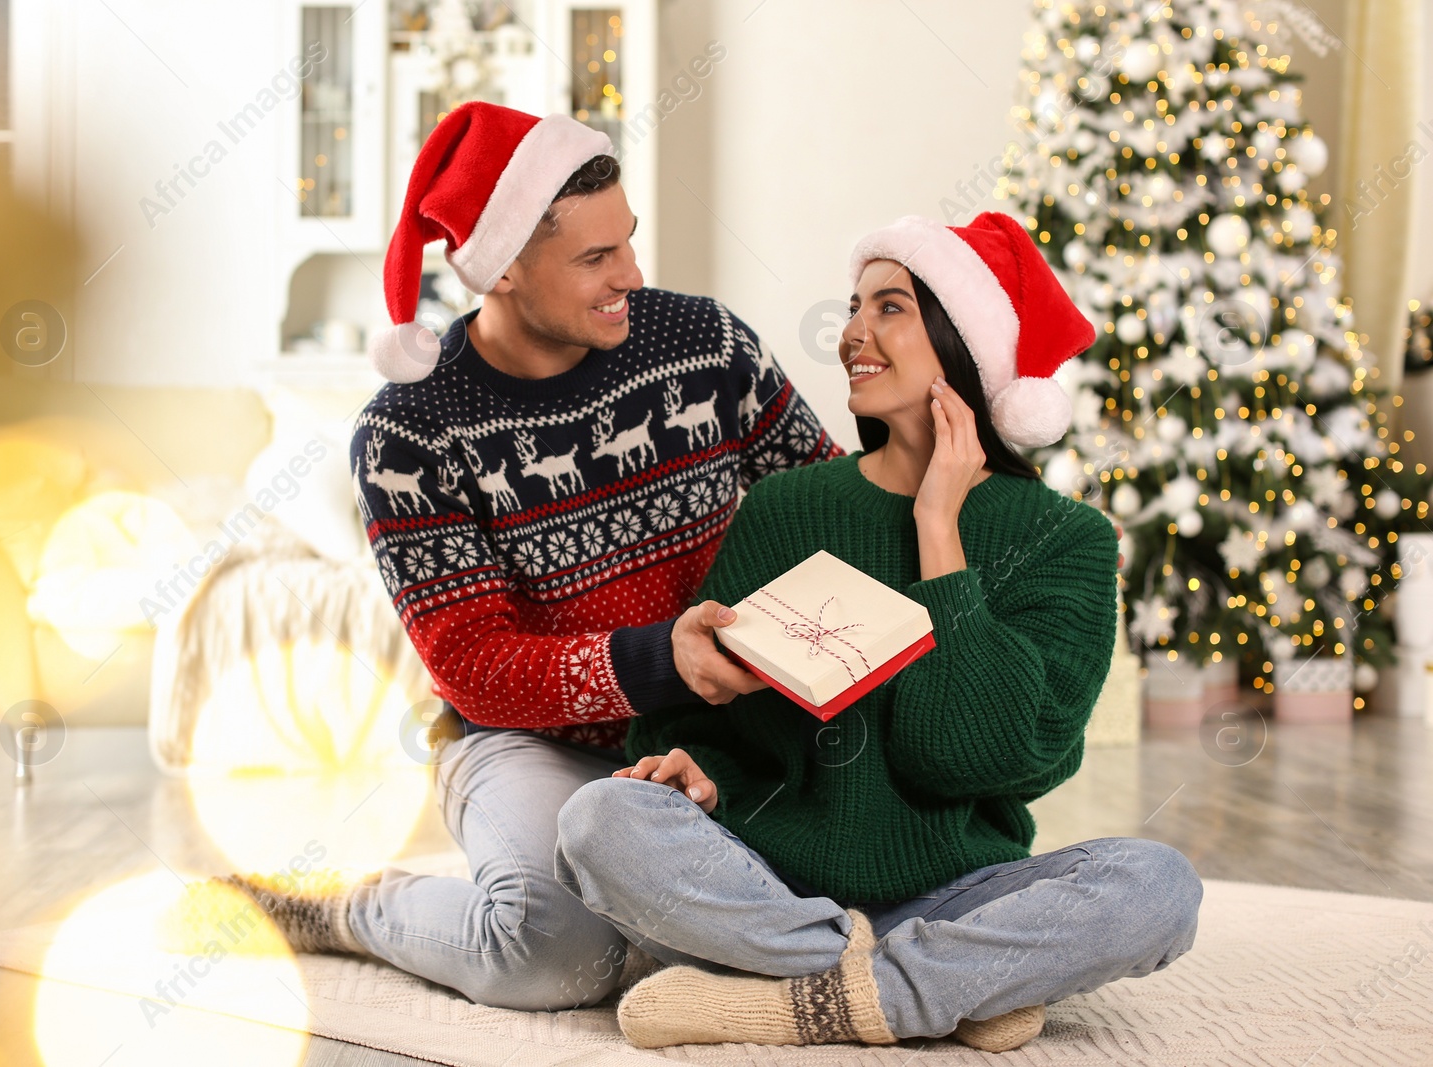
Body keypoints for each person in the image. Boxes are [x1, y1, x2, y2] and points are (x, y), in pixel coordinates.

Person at [213, 102, 842, 1011]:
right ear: (503, 265)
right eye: (596, 258)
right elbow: (473, 668)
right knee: (553, 960)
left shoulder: (707, 344)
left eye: (627, 241)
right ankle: (345, 906)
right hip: (530, 744)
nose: (631, 273)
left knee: (825, 894)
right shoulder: (409, 433)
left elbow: (825, 504)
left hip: (714, 736)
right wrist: (664, 657)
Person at [553, 211, 1203, 1053]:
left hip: (960, 890)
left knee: (1157, 886)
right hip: (771, 890)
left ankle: (795, 999)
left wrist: (941, 531)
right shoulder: (791, 507)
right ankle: (947, 986)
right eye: (854, 306)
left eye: (889, 307)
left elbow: (973, 757)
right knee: (598, 820)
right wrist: (698, 775)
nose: (854, 331)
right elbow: (697, 726)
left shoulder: (1063, 539)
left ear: (961, 340)